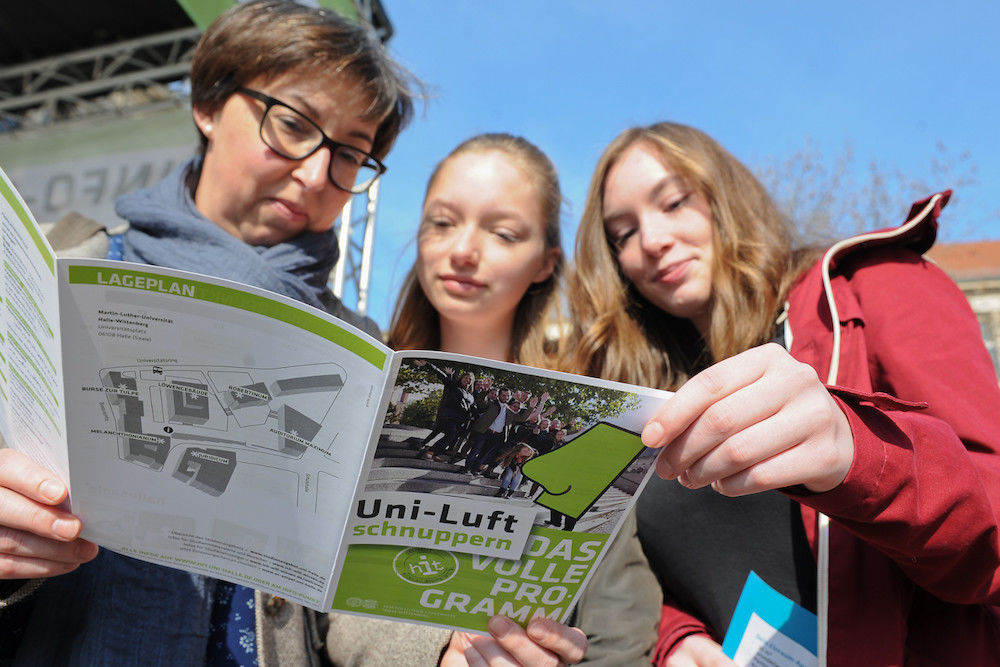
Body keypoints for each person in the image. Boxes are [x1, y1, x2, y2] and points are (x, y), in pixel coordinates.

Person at [0, 1, 422, 664]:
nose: (316, 174)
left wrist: (446, 648)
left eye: (350, 154)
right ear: (207, 104)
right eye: (292, 125)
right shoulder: (65, 275)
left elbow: (362, 588)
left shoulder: (362, 351)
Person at [564, 121, 1000, 665]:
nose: (652, 241)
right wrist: (676, 638)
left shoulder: (876, 285)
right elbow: (649, 569)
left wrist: (859, 455)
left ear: (727, 196)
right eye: (623, 234)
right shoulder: (645, 391)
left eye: (674, 202)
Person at [387, 132, 594, 665]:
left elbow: (621, 617)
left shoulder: (591, 394)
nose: (462, 251)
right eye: (442, 222)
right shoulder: (363, 369)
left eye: (502, 232)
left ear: (545, 263)